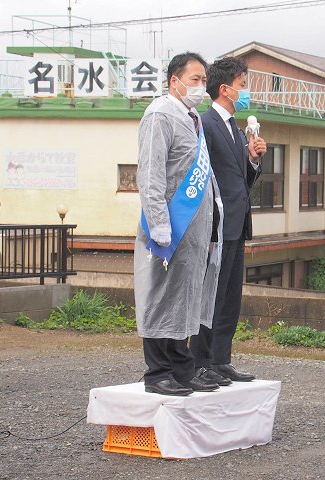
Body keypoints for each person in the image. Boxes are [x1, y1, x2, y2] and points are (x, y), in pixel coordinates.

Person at [135, 52, 223, 396]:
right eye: (194, 80)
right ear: (174, 81)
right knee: (161, 296)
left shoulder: (193, 117)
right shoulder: (160, 114)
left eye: (204, 80)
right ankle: (158, 373)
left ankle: (182, 369)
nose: (201, 86)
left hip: (194, 229)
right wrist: (159, 224)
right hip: (170, 226)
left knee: (184, 298)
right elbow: (151, 173)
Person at [189, 57, 267, 385]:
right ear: (225, 89)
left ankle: (221, 360)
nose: (246, 91)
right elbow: (201, 176)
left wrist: (253, 159)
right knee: (211, 296)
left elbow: (239, 180)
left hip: (236, 224)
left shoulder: (234, 128)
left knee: (230, 298)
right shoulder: (205, 124)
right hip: (215, 227)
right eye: (242, 85)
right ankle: (200, 362)